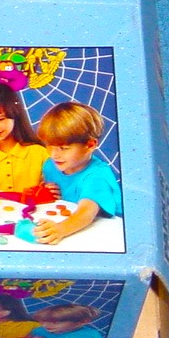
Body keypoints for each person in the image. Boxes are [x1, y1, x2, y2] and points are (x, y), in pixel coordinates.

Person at [34, 102, 123, 244]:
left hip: (106, 236)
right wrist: (47, 191)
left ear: (90, 145)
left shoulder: (97, 175)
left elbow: (87, 212)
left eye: (64, 148)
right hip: (74, 232)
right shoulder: (50, 166)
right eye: (49, 146)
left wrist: (60, 229)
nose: (54, 154)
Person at [14, 303, 105, 338]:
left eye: (56, 322)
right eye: (43, 322)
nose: (46, 326)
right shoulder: (41, 330)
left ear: (81, 322)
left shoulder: (85, 335)